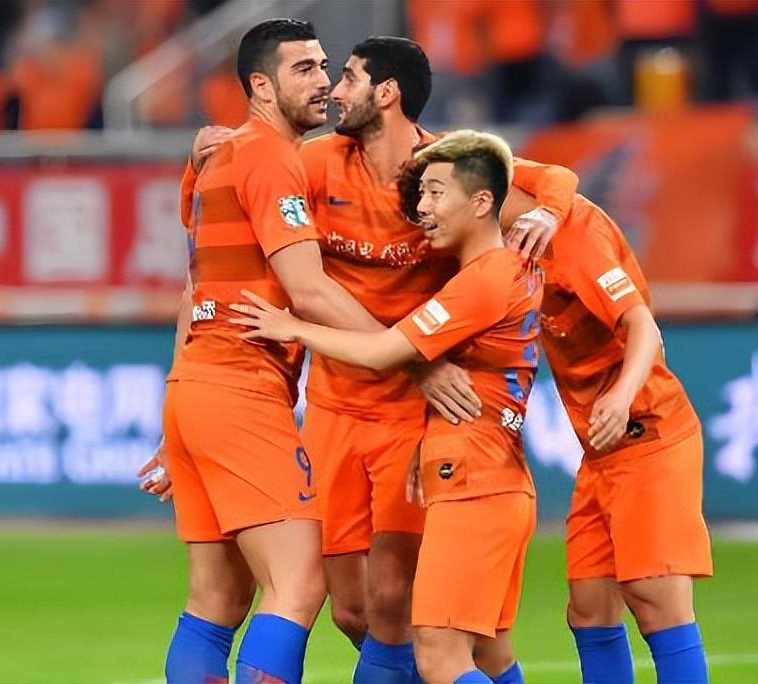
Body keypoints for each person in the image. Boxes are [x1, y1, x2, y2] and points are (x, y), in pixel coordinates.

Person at [155, 35, 577, 684]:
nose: (330, 86)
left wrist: (549, 211)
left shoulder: (446, 171)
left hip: (407, 414)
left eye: (342, 75)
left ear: (387, 93)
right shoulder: (308, 162)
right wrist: (205, 153)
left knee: (388, 598)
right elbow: (255, 255)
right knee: (342, 603)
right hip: (332, 402)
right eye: (315, 69)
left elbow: (553, 179)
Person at [232, 129, 541, 684]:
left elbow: (382, 351)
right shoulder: (503, 272)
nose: (422, 209)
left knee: (439, 655)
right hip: (484, 475)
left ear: (481, 202)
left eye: (436, 194)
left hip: (474, 483)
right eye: (421, 194)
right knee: (488, 651)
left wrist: (294, 327)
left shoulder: (483, 281)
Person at [156, 18, 385, 684]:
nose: (323, 82)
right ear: (261, 85)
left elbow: (193, 289)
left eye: (324, 67)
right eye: (303, 69)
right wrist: (408, 350)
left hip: (196, 387)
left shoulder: (214, 159)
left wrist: (177, 417)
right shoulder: (269, 156)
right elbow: (307, 289)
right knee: (299, 582)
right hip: (241, 387)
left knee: (218, 598)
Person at [506, 186, 713, 683]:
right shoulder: (506, 238)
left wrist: (620, 396)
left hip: (649, 434)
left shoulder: (576, 236)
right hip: (600, 453)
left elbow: (643, 325)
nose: (426, 205)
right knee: (589, 611)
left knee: (657, 601)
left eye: (436, 191)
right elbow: (554, 175)